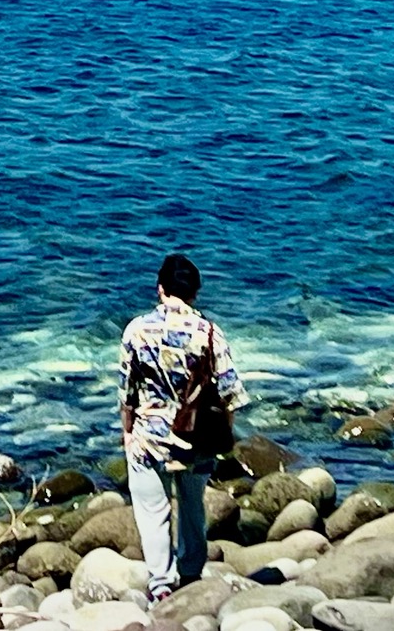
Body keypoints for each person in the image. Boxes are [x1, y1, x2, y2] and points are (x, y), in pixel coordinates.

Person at [119, 251, 244, 604]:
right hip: (196, 436)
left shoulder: (137, 330)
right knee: (192, 505)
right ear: (195, 292)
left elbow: (126, 392)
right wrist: (224, 432)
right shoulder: (209, 333)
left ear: (160, 289)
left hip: (150, 438)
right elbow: (230, 391)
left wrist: (128, 433)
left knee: (152, 511)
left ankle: (160, 583)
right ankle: (190, 573)